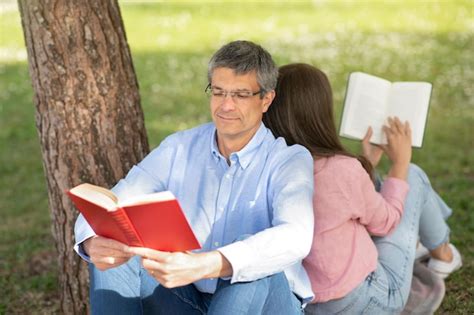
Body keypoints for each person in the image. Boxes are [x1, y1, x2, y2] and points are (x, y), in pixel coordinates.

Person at [74, 41, 315, 314]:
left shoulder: (289, 159)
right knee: (118, 245)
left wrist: (210, 263)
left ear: (266, 99)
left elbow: (296, 236)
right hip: (187, 295)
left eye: (240, 95)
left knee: (251, 265)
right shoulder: (179, 147)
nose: (226, 106)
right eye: (219, 92)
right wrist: (93, 241)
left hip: (267, 303)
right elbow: (119, 198)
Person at [263, 63, 462, 314]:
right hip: (371, 300)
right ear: (319, 114)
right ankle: (443, 256)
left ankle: (434, 243)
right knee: (412, 175)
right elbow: (386, 222)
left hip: (310, 304)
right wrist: (400, 162)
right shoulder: (341, 169)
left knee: (378, 180)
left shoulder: (268, 170)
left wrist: (365, 165)